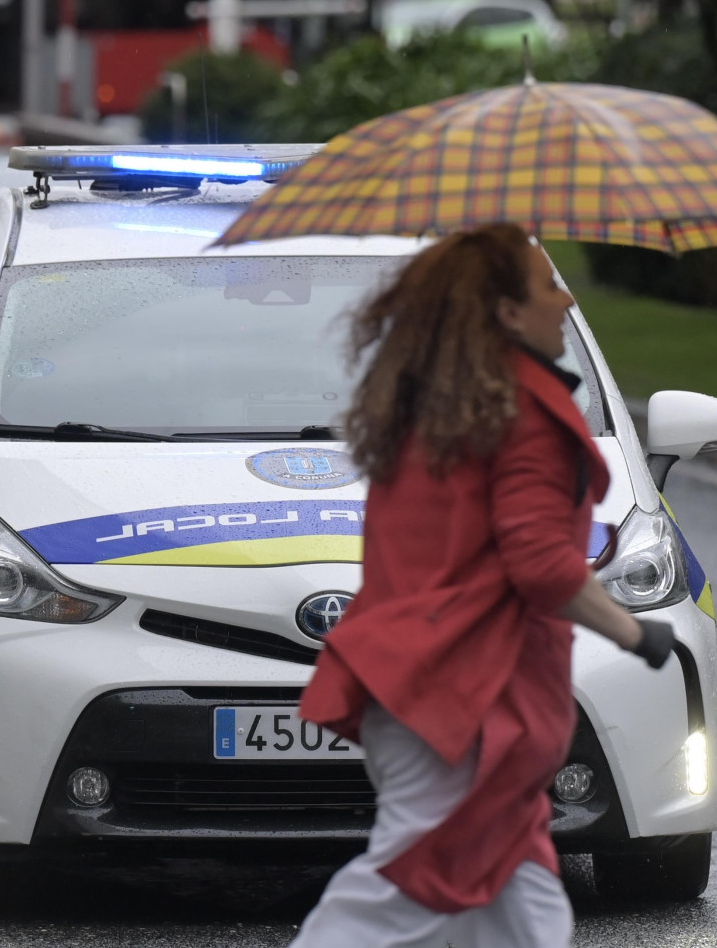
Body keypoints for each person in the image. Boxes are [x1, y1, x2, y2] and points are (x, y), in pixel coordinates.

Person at [288, 223, 675, 948]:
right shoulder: (518, 412)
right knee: (413, 883)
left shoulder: (438, 406)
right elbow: (539, 564)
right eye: (546, 284)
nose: (564, 297)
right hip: (461, 699)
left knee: (523, 902)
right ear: (504, 311)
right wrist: (632, 630)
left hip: (428, 689)